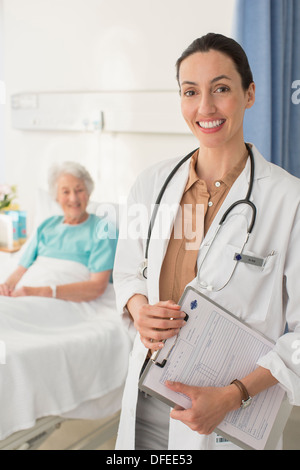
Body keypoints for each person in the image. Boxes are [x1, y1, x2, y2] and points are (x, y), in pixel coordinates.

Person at [113, 33, 300, 450]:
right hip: (147, 394)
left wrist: (233, 395)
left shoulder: (290, 200)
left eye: (221, 89)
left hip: (230, 411)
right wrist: (140, 309)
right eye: (190, 92)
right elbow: (127, 272)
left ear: (249, 94)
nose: (205, 108)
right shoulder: (153, 184)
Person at [0, 161, 117, 301]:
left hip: (60, 300)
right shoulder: (47, 225)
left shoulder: (103, 229)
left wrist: (36, 292)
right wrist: (6, 286)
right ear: (56, 197)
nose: (73, 198)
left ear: (88, 192)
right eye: (65, 192)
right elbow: (21, 269)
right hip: (24, 293)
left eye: (79, 190)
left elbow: (97, 287)